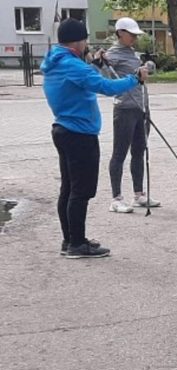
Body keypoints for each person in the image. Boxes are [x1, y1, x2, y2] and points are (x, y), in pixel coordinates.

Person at [41, 18, 145, 258]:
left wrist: (95, 64)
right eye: (85, 40)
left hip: (63, 128)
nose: (86, 44)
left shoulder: (57, 61)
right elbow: (106, 87)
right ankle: (77, 244)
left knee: (69, 189)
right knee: (81, 191)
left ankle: (70, 240)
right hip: (79, 133)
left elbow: (83, 80)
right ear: (78, 41)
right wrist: (135, 78)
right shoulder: (73, 65)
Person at [96, 17, 161, 213]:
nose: (134, 37)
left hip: (141, 108)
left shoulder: (132, 53)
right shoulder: (113, 54)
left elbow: (141, 76)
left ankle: (139, 195)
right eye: (131, 34)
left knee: (139, 151)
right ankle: (116, 199)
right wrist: (101, 63)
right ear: (120, 33)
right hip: (124, 109)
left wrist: (148, 66)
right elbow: (105, 78)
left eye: (135, 34)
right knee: (119, 154)